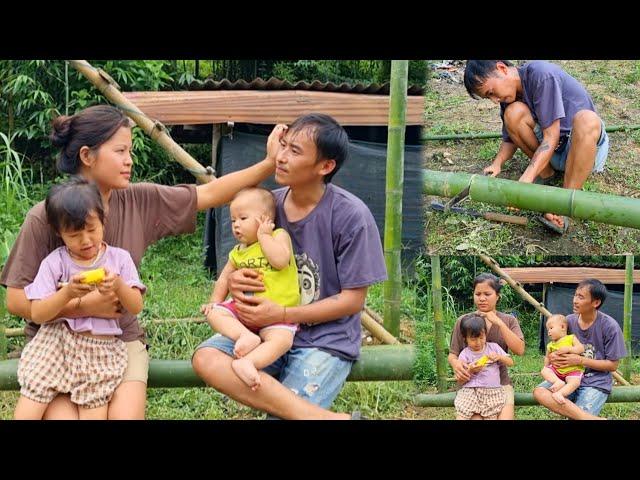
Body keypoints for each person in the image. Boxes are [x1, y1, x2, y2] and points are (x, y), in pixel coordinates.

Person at [1, 104, 284, 419]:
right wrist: (80, 306)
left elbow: (211, 193)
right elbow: (15, 300)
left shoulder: (139, 201)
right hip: (57, 344)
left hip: (121, 339)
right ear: (87, 156)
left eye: (130, 150)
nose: (129, 160)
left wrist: (270, 163)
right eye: (120, 151)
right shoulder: (45, 217)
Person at [192, 113, 387, 420]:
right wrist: (238, 282)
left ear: (325, 166)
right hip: (262, 331)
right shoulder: (267, 207)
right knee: (207, 358)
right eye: (282, 146)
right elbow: (241, 262)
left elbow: (353, 301)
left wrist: (283, 314)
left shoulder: (352, 216)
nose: (280, 158)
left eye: (294, 151)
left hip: (325, 339)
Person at [14, 177, 145, 419]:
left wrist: (118, 284)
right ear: (58, 232)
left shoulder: (119, 259)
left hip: (100, 350)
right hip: (56, 344)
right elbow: (38, 313)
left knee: (93, 411)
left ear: (103, 221)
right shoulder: (55, 262)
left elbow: (136, 306)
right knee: (32, 400)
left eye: (91, 230)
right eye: (74, 235)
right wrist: (67, 293)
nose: (85, 241)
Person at [463, 60, 609, 233]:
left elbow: (551, 137)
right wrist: (497, 163)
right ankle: (546, 172)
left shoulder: (541, 75)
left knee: (587, 119)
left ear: (502, 69)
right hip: (555, 153)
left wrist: (526, 179)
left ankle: (565, 205)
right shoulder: (509, 96)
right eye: (489, 97)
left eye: (491, 92)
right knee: (513, 113)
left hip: (583, 151)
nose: (495, 101)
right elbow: (509, 139)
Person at [201, 187, 299, 391]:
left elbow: (280, 260)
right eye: (233, 220)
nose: (236, 225)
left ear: (264, 218)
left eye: (243, 218)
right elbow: (224, 279)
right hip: (244, 314)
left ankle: (249, 362)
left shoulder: (279, 236)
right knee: (213, 313)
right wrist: (214, 302)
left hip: (277, 314)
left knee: (282, 340)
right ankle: (244, 336)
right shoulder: (238, 252)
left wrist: (264, 236)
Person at [533, 279, 626, 419]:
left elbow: (613, 365)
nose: (575, 300)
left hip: (595, 381)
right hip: (565, 377)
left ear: (596, 303)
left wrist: (580, 360)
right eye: (575, 295)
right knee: (540, 392)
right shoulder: (568, 321)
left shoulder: (610, 326)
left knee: (579, 412)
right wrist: (553, 357)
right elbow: (554, 348)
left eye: (581, 297)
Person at [448, 273, 525, 419]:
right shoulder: (463, 321)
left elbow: (519, 350)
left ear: (497, 296)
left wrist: (499, 323)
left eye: (487, 294)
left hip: (500, 385)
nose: (482, 298)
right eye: (478, 294)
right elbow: (453, 354)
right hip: (470, 384)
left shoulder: (509, 320)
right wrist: (456, 364)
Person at [454, 314, 514, 420]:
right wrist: (471, 369)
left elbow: (510, 362)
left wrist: (499, 357)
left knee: (492, 415)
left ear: (485, 334)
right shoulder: (465, 353)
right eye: (473, 339)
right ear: (465, 338)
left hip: (492, 390)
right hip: (471, 391)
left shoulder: (493, 348)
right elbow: (461, 377)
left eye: (481, 337)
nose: (478, 342)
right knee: (462, 413)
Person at [540, 314, 585, 405]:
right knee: (544, 371)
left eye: (551, 328)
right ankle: (558, 382)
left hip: (572, 370)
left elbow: (581, 349)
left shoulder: (571, 338)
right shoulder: (550, 345)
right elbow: (547, 358)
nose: (549, 332)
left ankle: (560, 393)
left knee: (575, 382)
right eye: (548, 329)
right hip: (557, 371)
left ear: (563, 327)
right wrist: (546, 367)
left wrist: (569, 349)